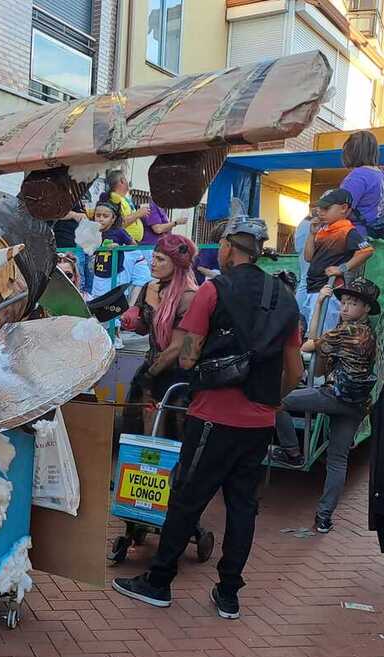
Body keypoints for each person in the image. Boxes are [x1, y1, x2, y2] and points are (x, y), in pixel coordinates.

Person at [113, 216, 303, 620]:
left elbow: (186, 356)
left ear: (230, 248)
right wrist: (271, 402)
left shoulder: (214, 290)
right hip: (259, 423)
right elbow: (296, 373)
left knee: (186, 498)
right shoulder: (284, 297)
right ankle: (229, 593)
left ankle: (159, 582)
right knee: (242, 506)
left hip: (212, 416)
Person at [270, 279, 379, 533]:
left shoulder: (347, 332)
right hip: (357, 404)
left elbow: (308, 344)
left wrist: (318, 304)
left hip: (334, 397)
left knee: (274, 402)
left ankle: (292, 452)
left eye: (353, 303)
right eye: (344, 302)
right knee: (337, 460)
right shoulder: (368, 333)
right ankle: (324, 517)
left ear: (365, 309)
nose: (345, 307)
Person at [120, 234, 199, 435]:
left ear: (178, 263)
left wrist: (149, 376)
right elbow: (144, 329)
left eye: (160, 259)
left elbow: (177, 346)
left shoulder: (188, 296)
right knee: (136, 435)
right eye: (153, 257)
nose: (152, 263)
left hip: (174, 375)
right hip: (151, 366)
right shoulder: (150, 286)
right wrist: (133, 320)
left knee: (164, 436)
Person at [301, 188, 374, 333]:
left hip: (329, 290)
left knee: (321, 335)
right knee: (313, 332)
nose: (321, 212)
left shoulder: (346, 230)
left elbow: (367, 251)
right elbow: (308, 257)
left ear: (343, 208)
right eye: (320, 208)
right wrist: (311, 234)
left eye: (326, 208)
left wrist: (342, 268)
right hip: (314, 288)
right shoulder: (323, 230)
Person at [340, 130, 384, 240]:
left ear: (350, 152)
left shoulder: (358, 176)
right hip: (375, 239)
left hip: (355, 238)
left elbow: (340, 209)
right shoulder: (379, 175)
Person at [90, 201, 139, 298]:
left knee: (115, 303)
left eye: (105, 216)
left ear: (113, 218)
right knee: (97, 302)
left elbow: (134, 246)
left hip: (116, 275)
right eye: (98, 215)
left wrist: (119, 247)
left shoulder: (119, 231)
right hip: (98, 275)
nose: (101, 219)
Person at [104, 169, 150, 244]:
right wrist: (138, 214)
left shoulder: (123, 198)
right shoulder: (114, 199)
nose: (128, 183)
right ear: (122, 181)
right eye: (126, 180)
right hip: (124, 244)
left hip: (131, 243)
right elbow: (116, 224)